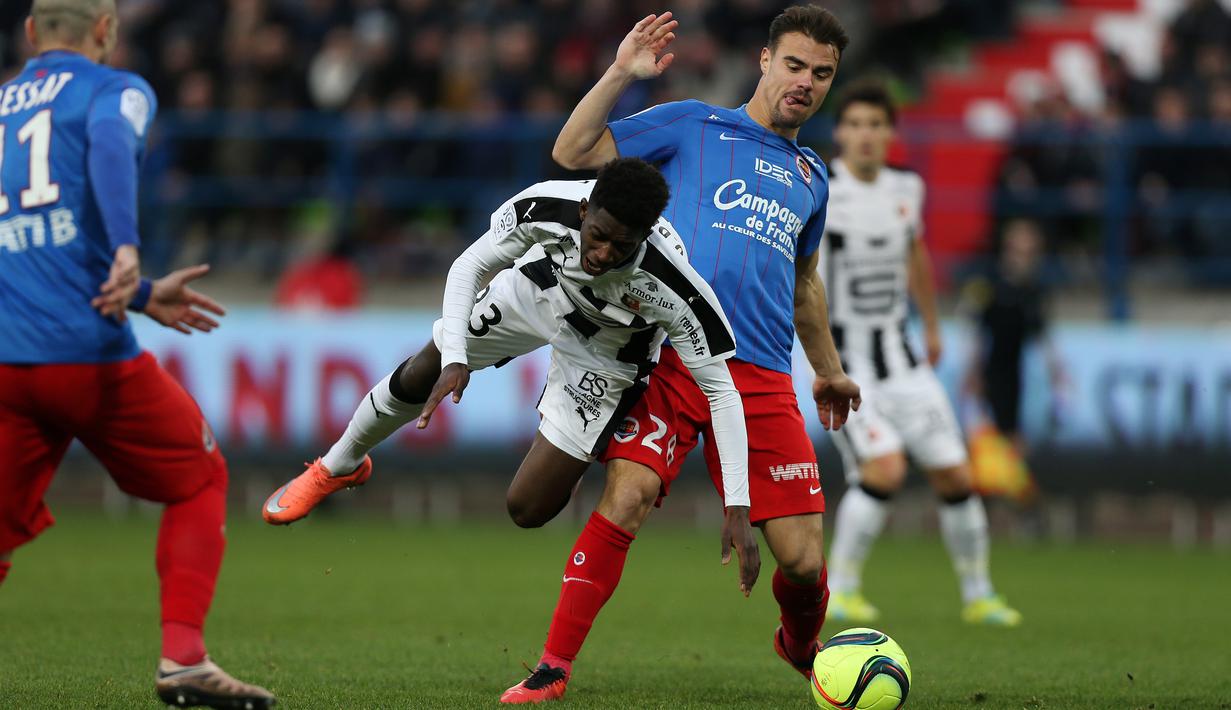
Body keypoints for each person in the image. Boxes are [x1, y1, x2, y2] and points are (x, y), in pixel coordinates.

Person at [502, 7, 861, 703]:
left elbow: (803, 283)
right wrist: (618, 72)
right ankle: (552, 667)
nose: (805, 83)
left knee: (802, 560)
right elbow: (574, 153)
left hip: (759, 373)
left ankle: (798, 643)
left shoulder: (813, 176)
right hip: (670, 358)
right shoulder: (691, 123)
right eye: (793, 65)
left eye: (821, 74)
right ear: (763, 61)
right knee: (626, 495)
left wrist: (827, 368)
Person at [262, 158, 760, 591]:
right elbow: (468, 266)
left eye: (622, 246)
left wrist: (736, 503)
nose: (604, 253)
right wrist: (456, 355)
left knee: (528, 509)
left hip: (609, 353)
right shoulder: (546, 205)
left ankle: (585, 432)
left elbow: (721, 389)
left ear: (646, 237)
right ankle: (337, 465)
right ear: (585, 212)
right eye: (599, 236)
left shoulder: (676, 286)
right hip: (540, 292)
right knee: (425, 369)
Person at [0, 2, 275, 708]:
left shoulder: (2, 107)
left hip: (9, 361)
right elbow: (110, 149)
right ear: (105, 30)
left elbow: (36, 235)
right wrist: (129, 251)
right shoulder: (113, 90)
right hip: (88, 355)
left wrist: (143, 291)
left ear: (31, 34)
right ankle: (183, 660)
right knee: (197, 478)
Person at [817, 81, 1022, 627]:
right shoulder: (818, 188)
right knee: (884, 469)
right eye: (854, 124)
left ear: (890, 134)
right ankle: (840, 589)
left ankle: (979, 595)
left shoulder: (907, 187)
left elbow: (916, 254)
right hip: (843, 363)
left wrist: (931, 324)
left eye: (875, 125)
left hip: (903, 359)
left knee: (957, 477)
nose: (864, 135)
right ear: (839, 132)